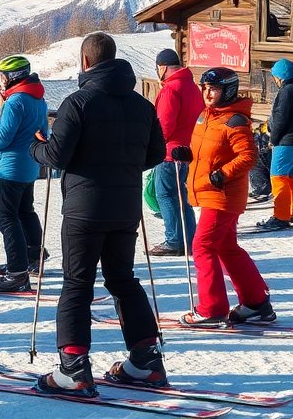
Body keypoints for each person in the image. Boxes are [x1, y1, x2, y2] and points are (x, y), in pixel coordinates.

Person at [29, 32, 167, 396]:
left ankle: (73, 369)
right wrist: (123, 163)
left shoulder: (78, 102)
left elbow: (57, 156)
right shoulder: (142, 105)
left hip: (85, 209)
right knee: (123, 279)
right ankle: (146, 361)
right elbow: (156, 153)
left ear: (86, 62)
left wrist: (36, 148)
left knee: (77, 283)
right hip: (125, 208)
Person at [181, 67, 275, 326]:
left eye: (214, 89)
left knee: (202, 246)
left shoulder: (235, 120)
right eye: (205, 88)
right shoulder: (207, 116)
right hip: (211, 191)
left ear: (228, 90)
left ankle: (212, 309)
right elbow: (207, 151)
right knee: (226, 247)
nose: (208, 93)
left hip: (222, 194)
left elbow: (248, 156)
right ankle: (256, 303)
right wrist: (186, 154)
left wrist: (222, 174)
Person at [0, 55, 48, 293]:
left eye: (3, 76)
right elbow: (43, 133)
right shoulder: (38, 99)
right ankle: (32, 258)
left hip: (10, 168)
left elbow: (2, 139)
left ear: (12, 77)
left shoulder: (15, 101)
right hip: (29, 166)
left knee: (5, 216)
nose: (1, 80)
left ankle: (17, 273)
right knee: (25, 212)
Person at [149, 48, 205, 257]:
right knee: (182, 197)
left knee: (166, 195)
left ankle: (174, 240)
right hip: (189, 150)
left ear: (162, 67)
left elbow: (164, 124)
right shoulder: (192, 87)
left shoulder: (171, 89)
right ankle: (189, 239)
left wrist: (154, 146)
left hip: (170, 152)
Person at [257, 59, 293, 230]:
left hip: (286, 142)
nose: (274, 79)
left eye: (275, 76)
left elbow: (280, 118)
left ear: (280, 76)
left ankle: (280, 217)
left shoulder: (286, 91)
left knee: (278, 177)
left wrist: (273, 138)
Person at [248, 120, 273, 203]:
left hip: (267, 133)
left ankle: (263, 190)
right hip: (261, 132)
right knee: (256, 163)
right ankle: (261, 190)